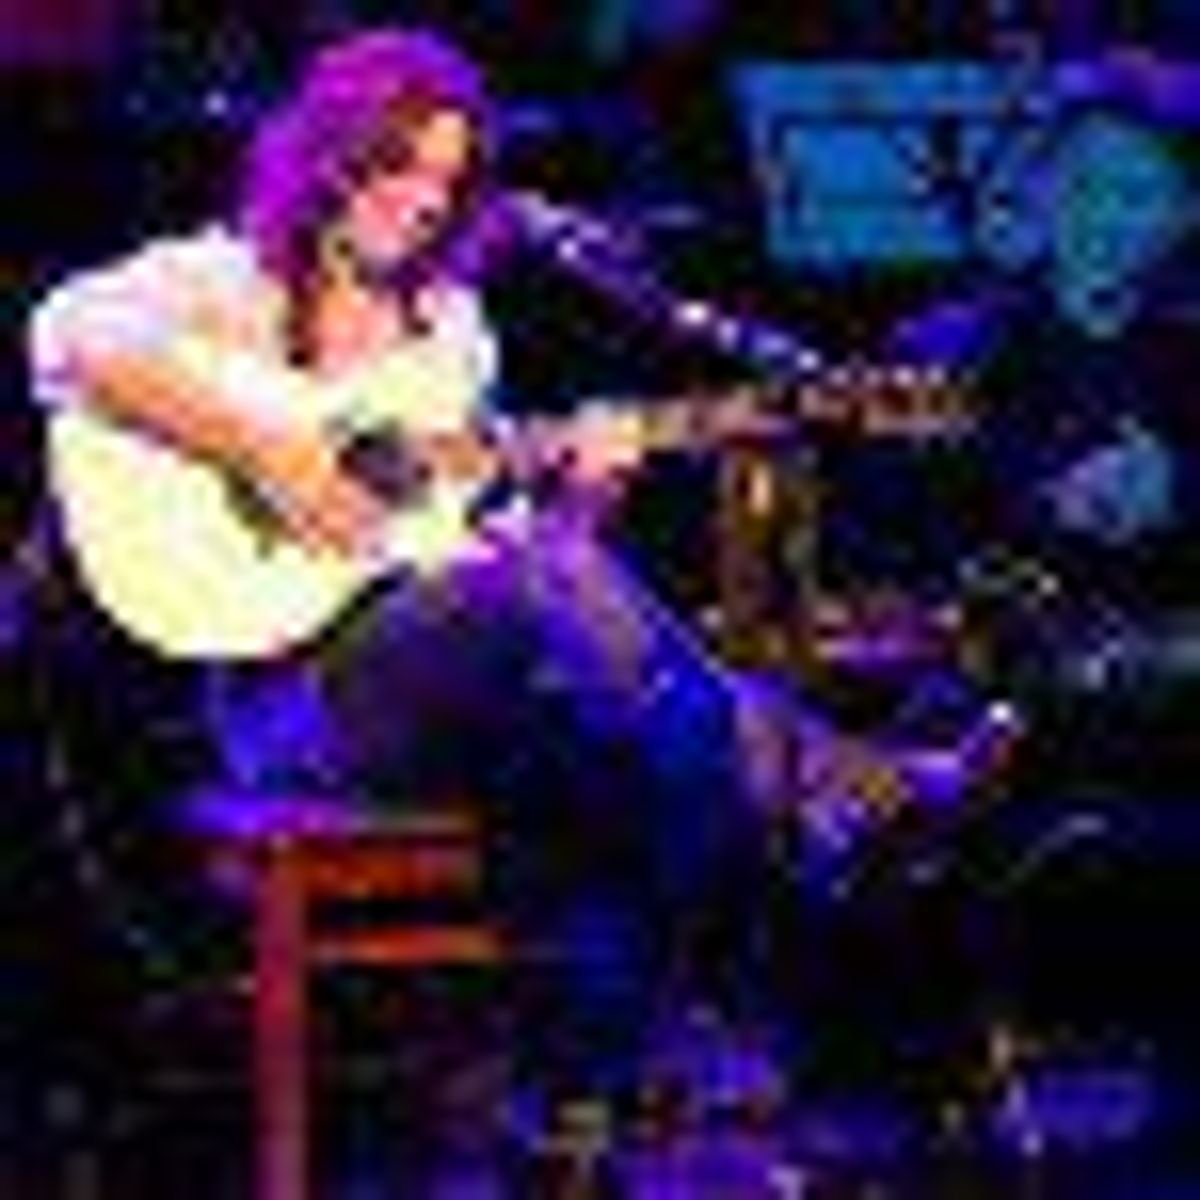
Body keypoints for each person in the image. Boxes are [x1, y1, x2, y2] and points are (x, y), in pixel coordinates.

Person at [26, 25, 1009, 1126]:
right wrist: (269, 449)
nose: (422, 201)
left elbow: (464, 548)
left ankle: (600, 1083)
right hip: (294, 699)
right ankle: (832, 801)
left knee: (587, 666)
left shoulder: (451, 336)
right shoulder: (222, 284)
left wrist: (585, 497)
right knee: (580, 645)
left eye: (447, 180)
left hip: (448, 684)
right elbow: (63, 338)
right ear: (328, 155)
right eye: (396, 166)